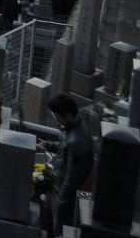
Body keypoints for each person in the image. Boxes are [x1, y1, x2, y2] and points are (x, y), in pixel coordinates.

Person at [46, 93, 94, 233]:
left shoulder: (77, 141)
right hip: (57, 183)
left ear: (68, 115)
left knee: (57, 229)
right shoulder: (75, 127)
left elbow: (72, 177)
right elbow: (63, 148)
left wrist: (61, 201)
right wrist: (48, 145)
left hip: (63, 193)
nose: (56, 119)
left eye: (57, 116)